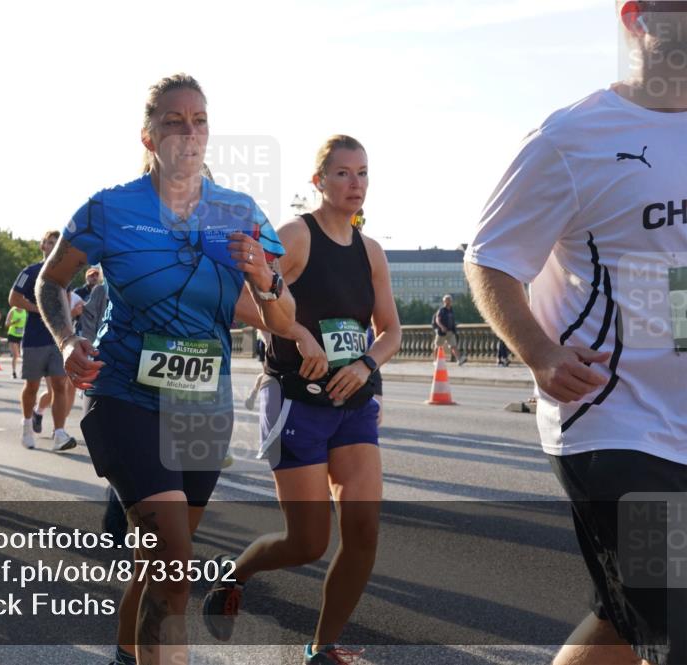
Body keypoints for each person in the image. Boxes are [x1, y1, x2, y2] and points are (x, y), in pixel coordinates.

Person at [36, 73, 293, 665]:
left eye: (199, 120)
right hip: (126, 397)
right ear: (149, 136)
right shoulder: (109, 208)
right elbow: (53, 281)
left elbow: (281, 316)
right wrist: (69, 339)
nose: (190, 131)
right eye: (175, 121)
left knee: (158, 565)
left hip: (204, 409)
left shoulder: (241, 211)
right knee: (175, 566)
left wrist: (267, 278)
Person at [465, 4, 686, 664]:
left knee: (623, 618)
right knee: (674, 616)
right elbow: (489, 258)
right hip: (613, 420)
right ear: (636, 18)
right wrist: (538, 351)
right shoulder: (573, 137)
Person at [201, 135, 401, 664]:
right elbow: (237, 299)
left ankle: (323, 646)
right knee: (308, 542)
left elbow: (391, 332)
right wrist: (296, 334)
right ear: (319, 181)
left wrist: (365, 365)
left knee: (363, 530)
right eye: (341, 173)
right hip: (294, 399)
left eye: (362, 173)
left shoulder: (371, 251)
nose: (354, 183)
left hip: (353, 401)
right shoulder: (296, 236)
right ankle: (234, 573)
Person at [9, 230, 78, 452]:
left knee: (60, 384)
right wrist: (39, 308)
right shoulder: (30, 272)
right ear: (42, 247)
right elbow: (14, 299)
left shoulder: (64, 274)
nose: (51, 246)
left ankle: (59, 433)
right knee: (32, 385)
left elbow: (66, 304)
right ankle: (27, 425)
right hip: (35, 338)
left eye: (55, 243)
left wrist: (71, 335)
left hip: (58, 339)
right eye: (48, 243)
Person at [432, 294, 466, 365]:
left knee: (453, 346)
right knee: (437, 346)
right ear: (444, 302)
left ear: (451, 301)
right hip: (442, 332)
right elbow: (437, 320)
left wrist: (454, 325)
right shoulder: (441, 310)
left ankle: (459, 360)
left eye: (449, 300)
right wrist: (442, 327)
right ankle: (435, 360)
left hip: (450, 332)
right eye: (446, 301)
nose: (448, 302)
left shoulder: (451, 310)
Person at [5, 305, 27, 379]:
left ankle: (23, 371)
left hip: (22, 335)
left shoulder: (25, 311)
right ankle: (13, 372)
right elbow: (6, 324)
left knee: (24, 354)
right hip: (12, 335)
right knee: (15, 354)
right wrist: (14, 322)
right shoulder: (13, 311)